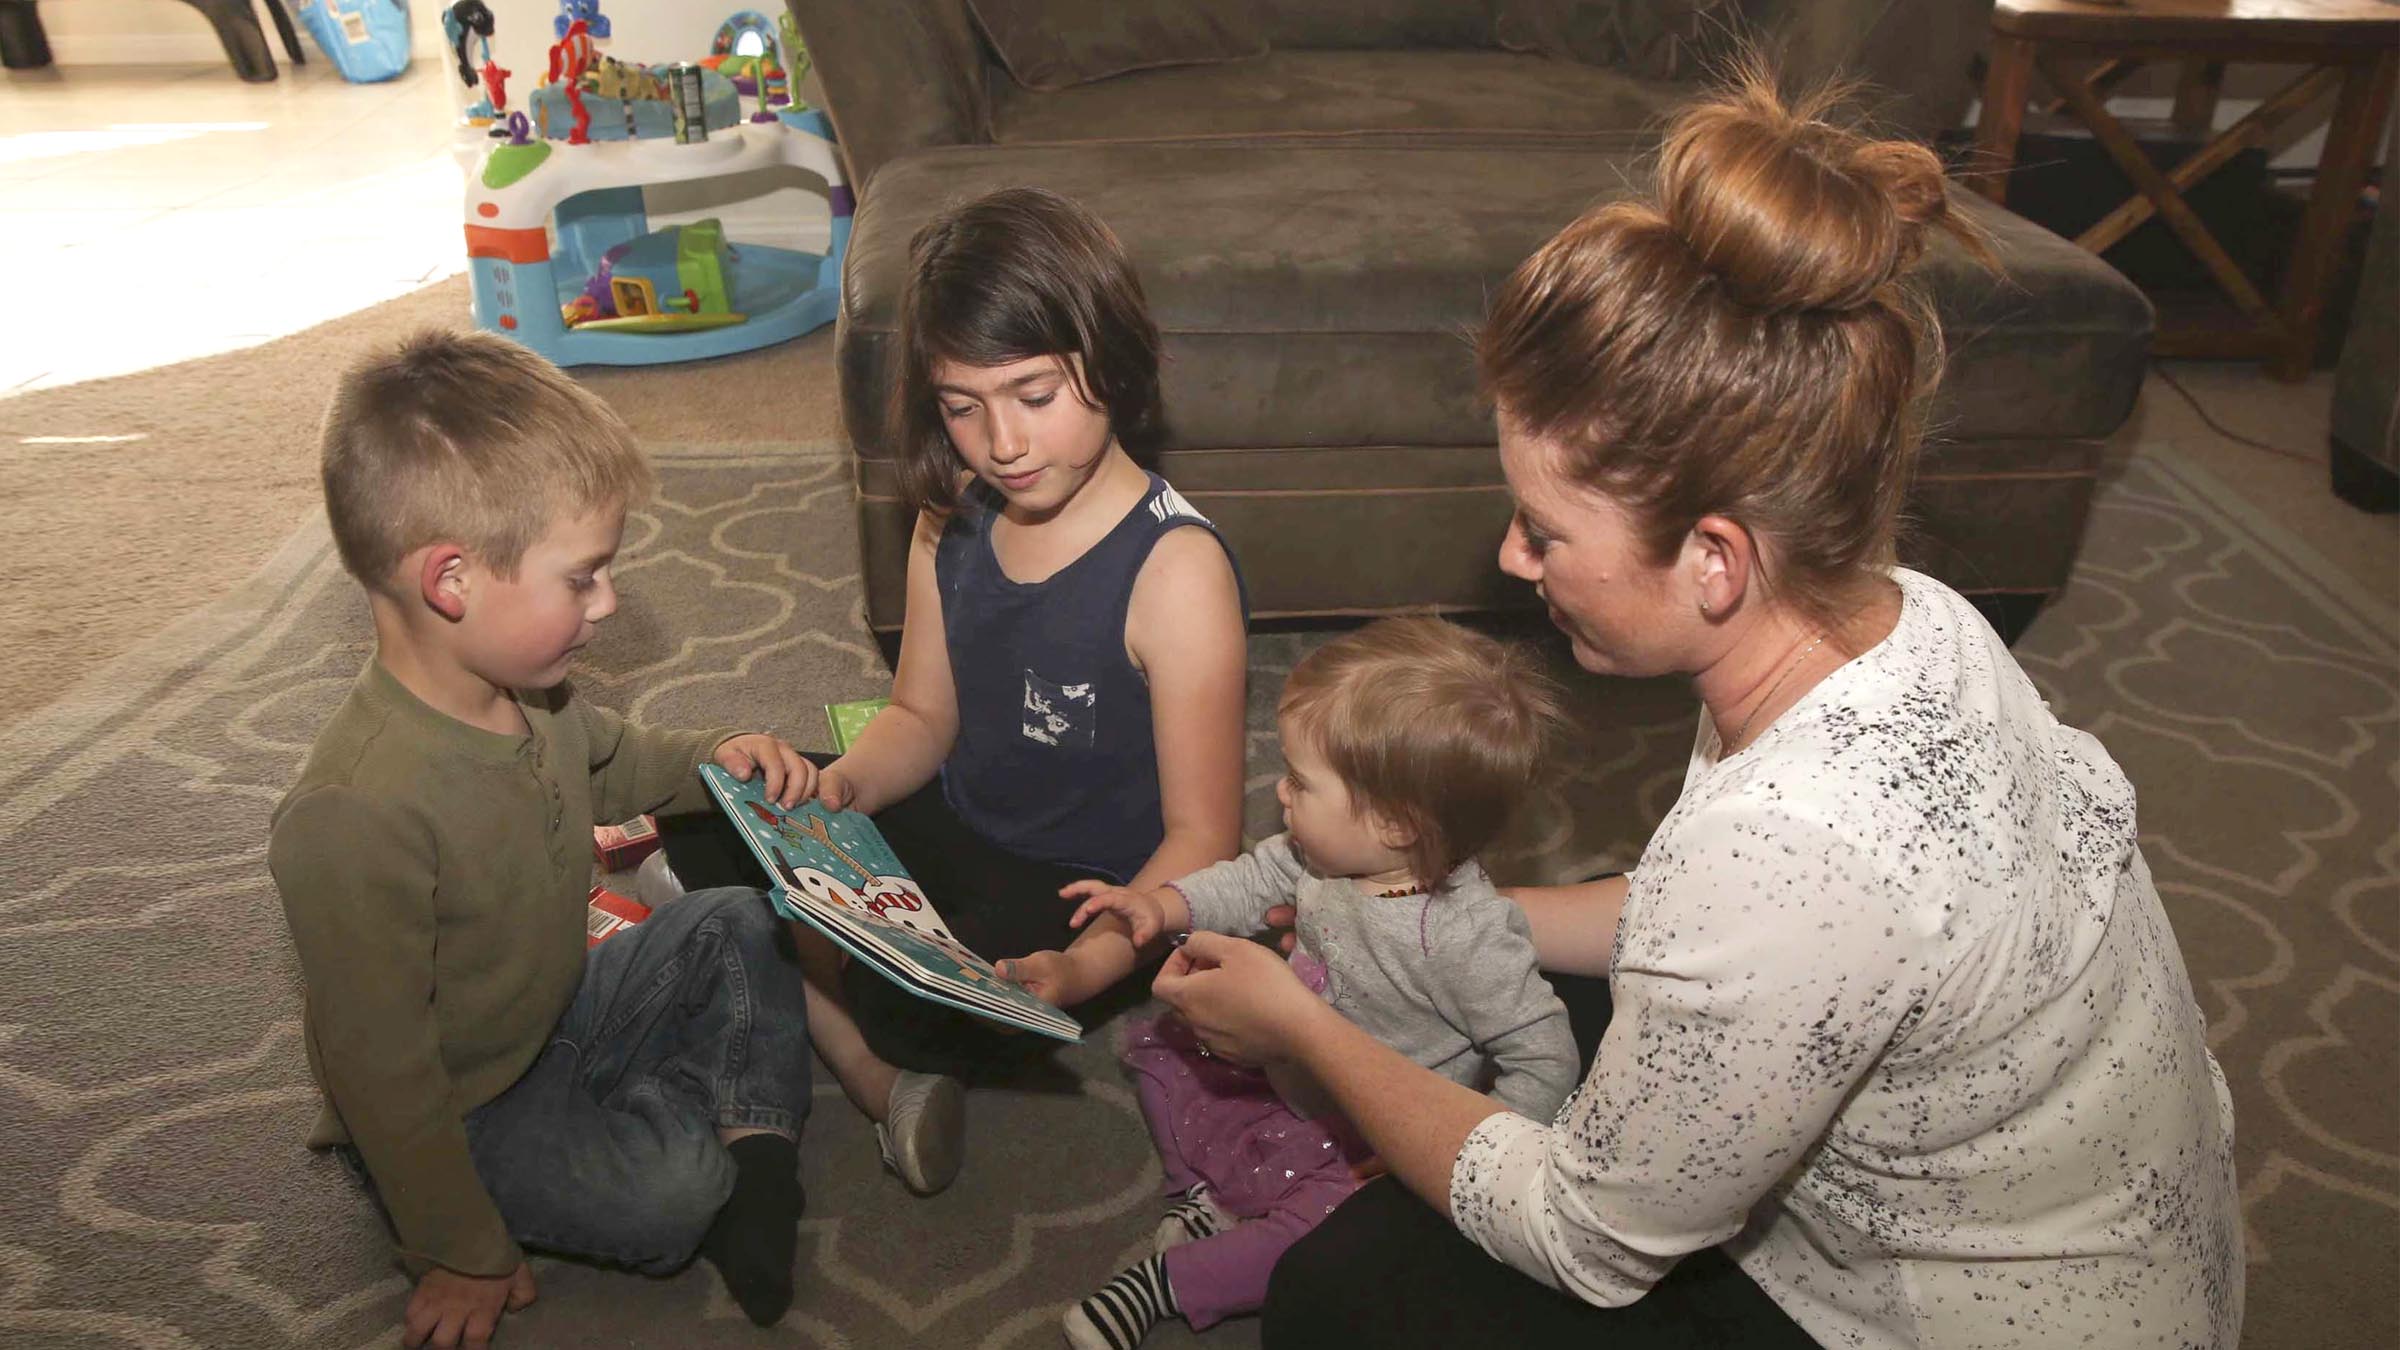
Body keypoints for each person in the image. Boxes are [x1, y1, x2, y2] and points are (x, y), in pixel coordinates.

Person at [1150, 70, 2244, 1350]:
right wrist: (1445, 920)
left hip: (1976, 1317)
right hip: (2100, 1215)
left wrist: (1307, 1027)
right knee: (1511, 1013)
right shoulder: (1900, 614)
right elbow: (1698, 914)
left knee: (1342, 1297)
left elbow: (1588, 1239)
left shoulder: (1794, 855)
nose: (1512, 558)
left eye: (1546, 529)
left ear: (1714, 561)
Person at [656, 186, 1250, 1200]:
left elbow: (1205, 838)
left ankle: (836, 1029)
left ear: (1113, 362)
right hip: (959, 814)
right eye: (961, 407)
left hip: (1083, 891)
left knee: (918, 1001)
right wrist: (831, 799)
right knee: (710, 801)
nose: (1002, 443)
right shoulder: (953, 518)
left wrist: (1089, 967)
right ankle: (829, 1009)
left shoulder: (1177, 572)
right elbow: (921, 719)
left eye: (1034, 394)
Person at [268, 332, 823, 1347]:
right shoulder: (353, 814)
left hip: (561, 1000)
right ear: (452, 582)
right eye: (583, 577)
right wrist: (456, 1246)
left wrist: (720, 751)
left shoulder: (533, 696)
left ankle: (757, 1146)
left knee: (739, 918)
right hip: (460, 1103)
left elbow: (616, 758)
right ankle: (725, 1133)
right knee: (673, 1197)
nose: (608, 603)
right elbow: (378, 1068)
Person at [1038, 617, 1578, 1349]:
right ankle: (1201, 1199)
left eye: (1299, 781)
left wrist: (1465, 1159)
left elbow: (1546, 1057)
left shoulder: (1468, 937)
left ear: (1392, 822)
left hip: (1364, 1137)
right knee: (1163, 1048)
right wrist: (1159, 905)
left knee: (1317, 1233)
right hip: (1279, 1063)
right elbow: (1252, 877)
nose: (1280, 793)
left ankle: (1166, 1286)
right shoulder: (1323, 854)